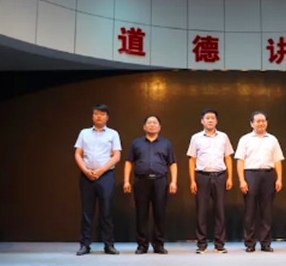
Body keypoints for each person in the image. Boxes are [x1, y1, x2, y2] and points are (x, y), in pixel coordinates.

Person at [123, 115, 177, 254]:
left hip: (160, 180)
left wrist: (173, 181)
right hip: (141, 181)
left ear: (159, 127)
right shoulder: (136, 143)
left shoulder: (166, 143)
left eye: (155, 122)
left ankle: (158, 244)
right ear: (144, 127)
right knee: (141, 213)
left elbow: (172, 163)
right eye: (149, 122)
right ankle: (142, 245)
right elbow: (129, 162)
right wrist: (126, 181)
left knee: (160, 213)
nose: (152, 125)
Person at [74, 104, 122, 256]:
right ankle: (84, 245)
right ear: (92, 116)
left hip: (105, 176)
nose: (99, 116)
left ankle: (109, 245)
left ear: (107, 117)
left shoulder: (113, 134)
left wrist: (101, 170)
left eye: (102, 114)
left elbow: (116, 156)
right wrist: (86, 170)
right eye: (96, 114)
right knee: (87, 212)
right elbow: (78, 154)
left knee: (106, 211)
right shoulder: (84, 133)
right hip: (86, 175)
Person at [235, 111, 284, 252]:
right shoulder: (245, 139)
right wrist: (242, 180)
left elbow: (277, 160)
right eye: (258, 121)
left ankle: (265, 243)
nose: (261, 123)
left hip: (268, 175)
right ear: (252, 124)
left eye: (263, 121)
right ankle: (250, 243)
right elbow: (240, 160)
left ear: (266, 123)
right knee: (250, 210)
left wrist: (279, 178)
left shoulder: (272, 139)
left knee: (267, 211)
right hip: (251, 174)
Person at [187, 109, 234, 254]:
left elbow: (228, 157)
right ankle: (202, 244)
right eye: (207, 118)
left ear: (216, 121)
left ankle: (219, 245)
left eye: (213, 118)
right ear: (202, 121)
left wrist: (230, 177)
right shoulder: (196, 138)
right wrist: (192, 180)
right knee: (201, 211)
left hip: (220, 175)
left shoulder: (223, 137)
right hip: (202, 176)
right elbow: (192, 159)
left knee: (220, 210)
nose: (210, 120)